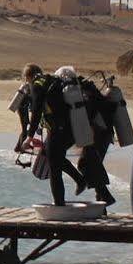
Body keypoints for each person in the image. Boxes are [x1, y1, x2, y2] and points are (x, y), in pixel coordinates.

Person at [36, 65, 87, 207]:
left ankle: (59, 203)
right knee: (54, 157)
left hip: (57, 132)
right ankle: (79, 180)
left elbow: (49, 110)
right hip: (73, 132)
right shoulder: (76, 89)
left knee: (54, 168)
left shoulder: (55, 88)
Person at [74, 72, 116, 207]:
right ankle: (102, 205)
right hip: (104, 134)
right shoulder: (92, 93)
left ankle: (106, 197)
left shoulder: (87, 96)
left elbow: (88, 117)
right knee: (94, 165)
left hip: (99, 134)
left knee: (84, 163)